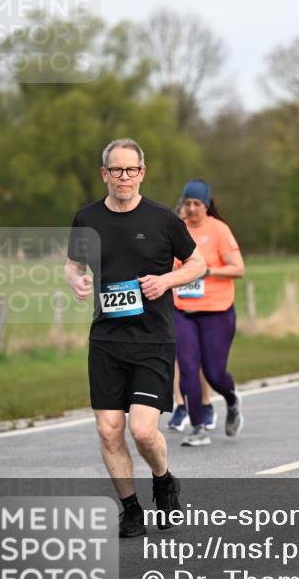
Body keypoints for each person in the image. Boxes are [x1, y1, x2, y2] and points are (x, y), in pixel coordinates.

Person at [65, 138, 206, 537]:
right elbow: (73, 264)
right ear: (104, 174)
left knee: (143, 431)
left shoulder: (163, 220)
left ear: (141, 173)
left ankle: (163, 480)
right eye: (115, 170)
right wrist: (77, 281)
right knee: (108, 429)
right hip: (106, 341)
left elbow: (198, 263)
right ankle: (130, 509)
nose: (123, 177)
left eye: (130, 170)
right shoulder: (87, 217)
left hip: (153, 341)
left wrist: (167, 280)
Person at [172, 180, 246, 446]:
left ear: (206, 205)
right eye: (187, 203)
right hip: (183, 310)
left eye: (196, 204)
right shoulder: (177, 230)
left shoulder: (218, 230)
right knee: (189, 369)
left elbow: (238, 268)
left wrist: (208, 271)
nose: (191, 209)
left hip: (217, 311)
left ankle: (231, 399)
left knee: (214, 373)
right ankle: (198, 426)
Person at [168, 197, 216, 432]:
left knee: (198, 360)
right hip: (174, 306)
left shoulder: (201, 239)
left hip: (200, 306)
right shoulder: (167, 238)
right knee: (176, 359)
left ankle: (206, 403)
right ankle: (180, 405)